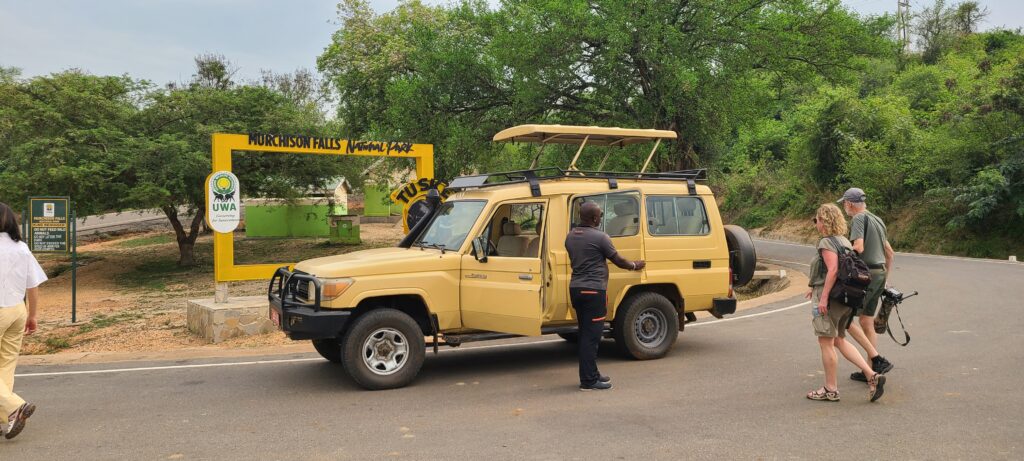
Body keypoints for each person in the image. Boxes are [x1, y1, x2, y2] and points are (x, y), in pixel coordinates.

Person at [806, 203, 886, 402]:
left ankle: (830, 389)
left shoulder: (826, 242)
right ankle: (872, 375)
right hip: (845, 298)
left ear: (824, 221)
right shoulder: (844, 241)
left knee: (826, 342)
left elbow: (833, 270)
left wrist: (823, 298)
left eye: (817, 220)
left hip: (831, 298)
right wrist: (812, 285)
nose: (816, 224)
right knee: (839, 340)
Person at [565, 201, 645, 391]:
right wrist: (635, 265)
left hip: (576, 289)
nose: (601, 218)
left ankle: (592, 373)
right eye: (600, 215)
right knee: (591, 338)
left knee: (585, 333)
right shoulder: (600, 237)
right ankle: (588, 381)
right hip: (593, 291)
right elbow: (618, 260)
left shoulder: (570, 236)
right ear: (594, 218)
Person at [837, 188, 896, 382]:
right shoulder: (878, 220)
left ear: (850, 203)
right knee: (866, 321)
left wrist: (842, 259)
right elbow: (890, 253)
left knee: (846, 319)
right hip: (880, 273)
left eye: (844, 203)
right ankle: (870, 370)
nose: (844, 207)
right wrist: (885, 279)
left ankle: (877, 360)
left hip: (865, 275)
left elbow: (858, 247)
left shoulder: (858, 219)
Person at [0, 202, 45, 439]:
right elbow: (32, 284)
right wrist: (32, 315)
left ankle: (14, 407)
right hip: (17, 310)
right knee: (5, 366)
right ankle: (4, 415)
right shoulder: (21, 248)